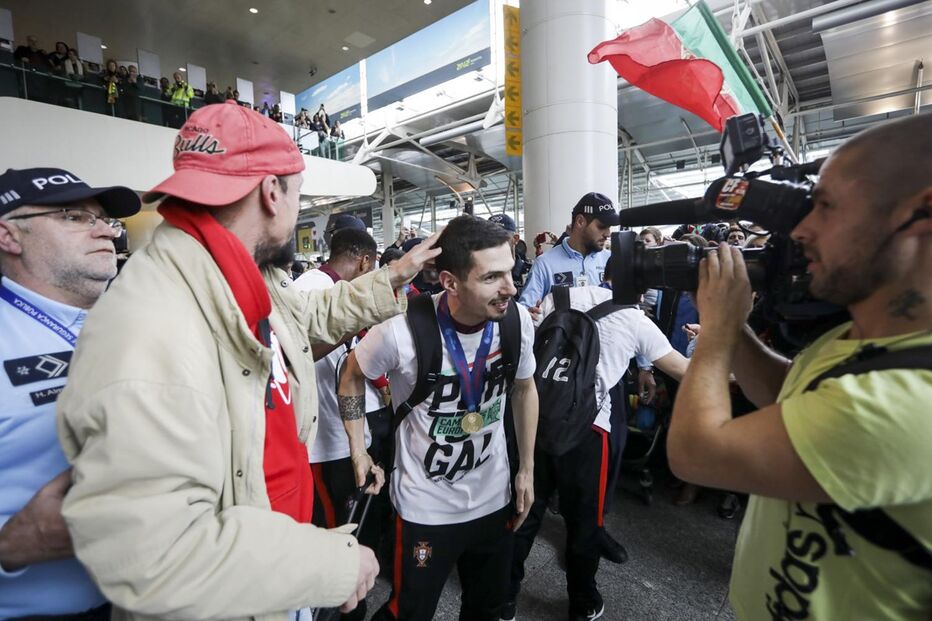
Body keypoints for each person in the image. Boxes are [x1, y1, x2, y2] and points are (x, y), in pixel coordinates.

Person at [55, 101, 441, 620]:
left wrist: (394, 275)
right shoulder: (153, 326)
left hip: (269, 574)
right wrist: (328, 566)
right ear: (271, 191)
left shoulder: (237, 273)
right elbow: (154, 558)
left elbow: (308, 319)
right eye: (299, 197)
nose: (298, 214)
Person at [667, 113, 932, 619]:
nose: (804, 228)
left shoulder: (914, 399)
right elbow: (789, 396)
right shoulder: (855, 337)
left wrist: (719, 329)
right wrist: (737, 329)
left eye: (827, 207)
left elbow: (695, 453)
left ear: (920, 214)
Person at [339, 215, 539, 621]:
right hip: (424, 508)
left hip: (492, 499)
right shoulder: (400, 331)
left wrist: (527, 470)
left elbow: (524, 387)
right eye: (493, 277)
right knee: (410, 611)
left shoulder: (515, 321)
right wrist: (358, 450)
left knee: (487, 608)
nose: (511, 288)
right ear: (450, 282)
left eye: (511, 271)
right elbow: (351, 374)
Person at [506, 254, 690, 621]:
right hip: (590, 432)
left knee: (525, 508)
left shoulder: (559, 298)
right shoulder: (637, 320)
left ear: (606, 273)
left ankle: (504, 596)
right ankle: (582, 601)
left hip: (536, 419)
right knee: (583, 521)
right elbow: (687, 372)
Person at [0, 167, 140, 618]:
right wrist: (11, 546)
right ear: (8, 235)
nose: (106, 231)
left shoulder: (130, 325)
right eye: (75, 217)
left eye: (107, 220)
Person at [294, 229, 390, 621]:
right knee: (337, 531)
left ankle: (353, 599)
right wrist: (352, 324)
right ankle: (342, 608)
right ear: (365, 261)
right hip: (322, 442)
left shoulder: (336, 290)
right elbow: (296, 353)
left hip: (347, 432)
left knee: (356, 522)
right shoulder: (310, 288)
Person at [518, 192, 617, 313]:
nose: (607, 233)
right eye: (602, 226)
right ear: (580, 222)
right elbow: (525, 311)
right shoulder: (544, 264)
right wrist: (529, 313)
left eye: (609, 227)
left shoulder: (612, 261)